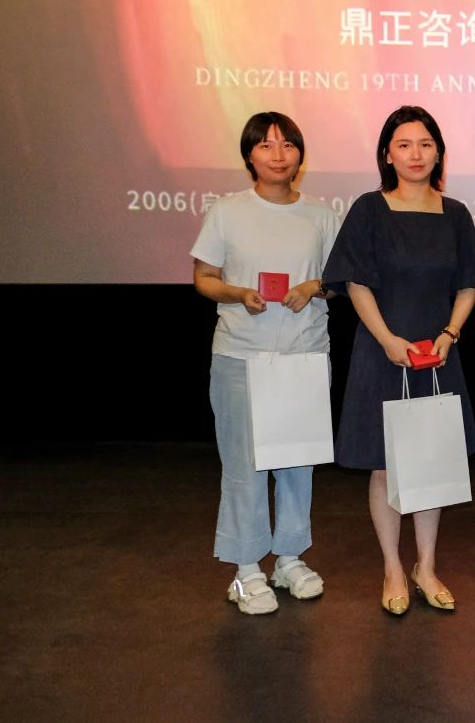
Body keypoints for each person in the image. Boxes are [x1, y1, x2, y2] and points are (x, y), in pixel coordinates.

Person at [321, 105, 475, 614]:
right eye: (404, 144)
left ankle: (425, 567)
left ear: (439, 153)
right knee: (385, 465)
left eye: (426, 144)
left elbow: (469, 285)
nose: (416, 154)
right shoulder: (369, 209)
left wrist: (449, 335)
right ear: (387, 154)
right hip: (382, 352)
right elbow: (355, 282)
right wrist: (389, 339)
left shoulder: (455, 214)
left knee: (432, 463)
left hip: (438, 355)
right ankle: (392, 566)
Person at [191, 112, 338, 615]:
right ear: (249, 155)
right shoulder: (228, 211)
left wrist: (313, 287)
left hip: (304, 354)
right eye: (266, 145)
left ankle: (290, 558)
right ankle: (247, 568)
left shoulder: (321, 214)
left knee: (298, 462)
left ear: (300, 154)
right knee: (244, 465)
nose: (279, 155)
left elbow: (340, 280)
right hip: (241, 355)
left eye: (288, 145)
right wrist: (236, 293)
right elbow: (204, 277)